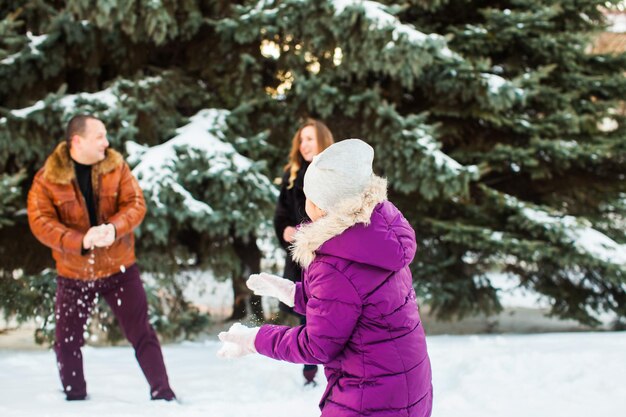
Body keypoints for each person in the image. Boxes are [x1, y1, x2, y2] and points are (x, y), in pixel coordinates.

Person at [218, 139, 433, 417]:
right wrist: (293, 293)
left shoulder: (334, 262)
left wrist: (255, 339)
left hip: (369, 397)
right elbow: (355, 301)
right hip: (407, 387)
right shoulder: (378, 237)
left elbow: (317, 344)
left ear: (320, 207)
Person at [27, 115, 176, 402]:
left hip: (119, 267)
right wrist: (80, 240)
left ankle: (163, 395)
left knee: (142, 332)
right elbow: (40, 221)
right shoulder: (47, 178)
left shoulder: (115, 166)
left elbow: (135, 203)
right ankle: (74, 398)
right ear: (77, 141)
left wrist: (114, 227)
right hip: (73, 273)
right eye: (100, 136)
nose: (106, 143)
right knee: (67, 341)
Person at [273, 118, 334, 385]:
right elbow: (282, 213)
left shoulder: (333, 173)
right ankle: (310, 371)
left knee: (330, 314)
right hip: (301, 260)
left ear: (322, 140)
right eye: (301, 140)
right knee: (307, 315)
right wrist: (285, 230)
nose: (304, 145)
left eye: (309, 139)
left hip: (330, 257)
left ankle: (336, 369)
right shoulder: (292, 174)